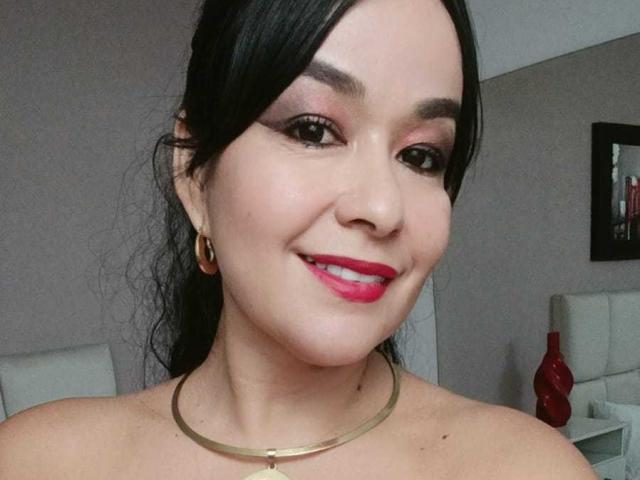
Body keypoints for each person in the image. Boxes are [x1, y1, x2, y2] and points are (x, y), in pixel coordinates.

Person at [0, 0, 596, 478]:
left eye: (420, 156)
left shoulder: (526, 469)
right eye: (313, 130)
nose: (382, 208)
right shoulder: (35, 461)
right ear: (195, 175)